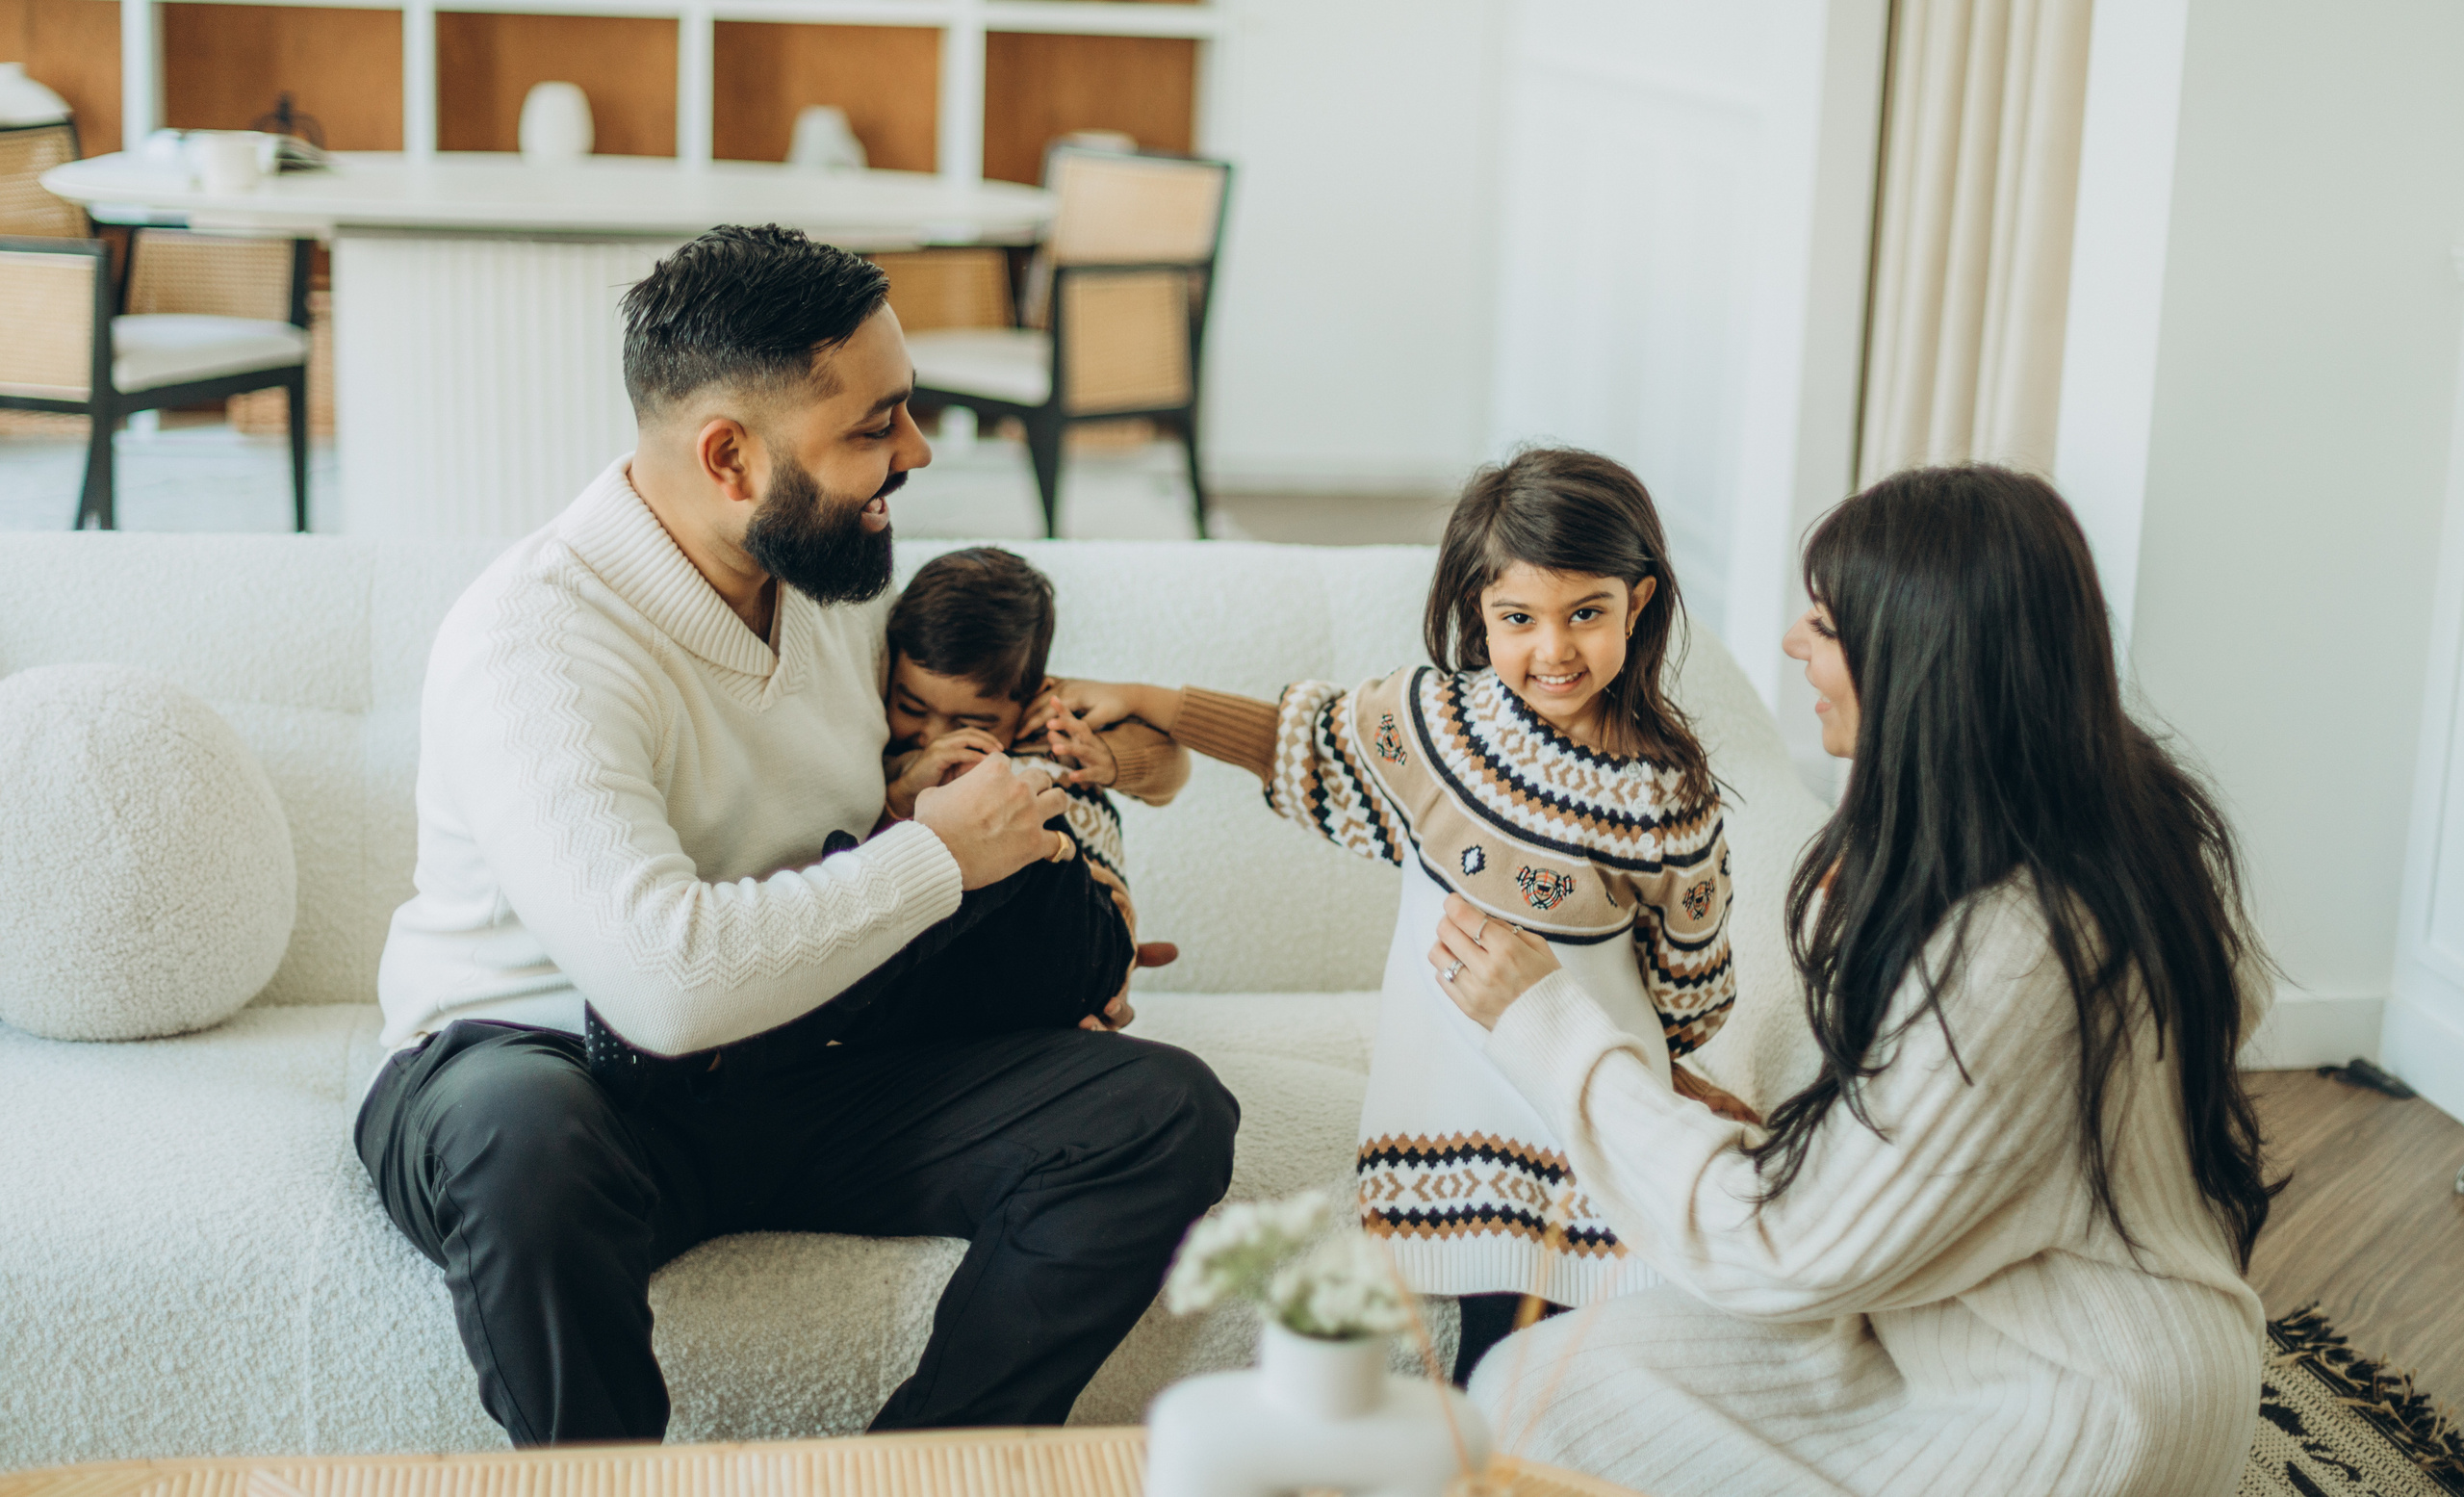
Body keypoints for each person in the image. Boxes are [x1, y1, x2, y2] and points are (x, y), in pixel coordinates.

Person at [355, 224, 1239, 1447]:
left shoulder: (829, 570)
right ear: (729, 458)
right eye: (876, 427)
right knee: (523, 1143)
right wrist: (939, 858)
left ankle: (913, 1478)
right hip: (550, 1073)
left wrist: (1132, 770)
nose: (918, 451)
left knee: (1160, 1111)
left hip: (800, 1061)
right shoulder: (536, 644)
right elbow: (661, 984)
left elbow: (999, 730)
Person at [1436, 464, 2273, 1497]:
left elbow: (1780, 1248)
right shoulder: (2110, 815)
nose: (1793, 644)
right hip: (1946, 1319)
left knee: (1520, 1408)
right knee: (1525, 1381)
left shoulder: (2015, 946)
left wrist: (1545, 1026)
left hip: (2061, 1413)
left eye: (1823, 624)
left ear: (1919, 660)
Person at [1050, 448, 1743, 1386]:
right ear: (1476, 613)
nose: (1554, 649)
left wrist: (1670, 1071)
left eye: (1587, 613)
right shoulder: (1433, 727)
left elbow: (1689, 976)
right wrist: (1152, 702)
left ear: (1641, 603)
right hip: (1452, 1111)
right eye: (1517, 618)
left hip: (1580, 1117)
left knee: (1561, 1365)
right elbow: (1302, 741)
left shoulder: (1667, 792)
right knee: (1487, 1353)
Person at [845, 544, 1191, 1042]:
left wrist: (1111, 760)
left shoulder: (1057, 727)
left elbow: (1172, 769)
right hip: (976, 957)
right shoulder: (903, 761)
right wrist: (903, 789)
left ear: (1031, 696)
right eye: (911, 707)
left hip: (1083, 921)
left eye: (972, 721)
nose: (934, 735)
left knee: (1020, 800)